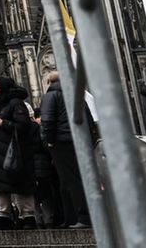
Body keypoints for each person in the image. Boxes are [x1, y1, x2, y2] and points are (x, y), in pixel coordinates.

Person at [0, 77, 37, 229]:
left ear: (2, 87)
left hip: (16, 151)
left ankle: (27, 216)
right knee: (2, 185)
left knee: (21, 183)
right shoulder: (1, 104)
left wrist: (2, 123)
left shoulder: (16, 103)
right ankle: (4, 216)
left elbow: (23, 125)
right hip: (1, 151)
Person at [38, 71, 89, 228]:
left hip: (61, 143)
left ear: (49, 82)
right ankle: (70, 218)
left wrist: (49, 142)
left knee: (69, 180)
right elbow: (89, 119)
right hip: (78, 141)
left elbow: (47, 120)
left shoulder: (50, 96)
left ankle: (82, 217)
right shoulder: (76, 95)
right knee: (71, 180)